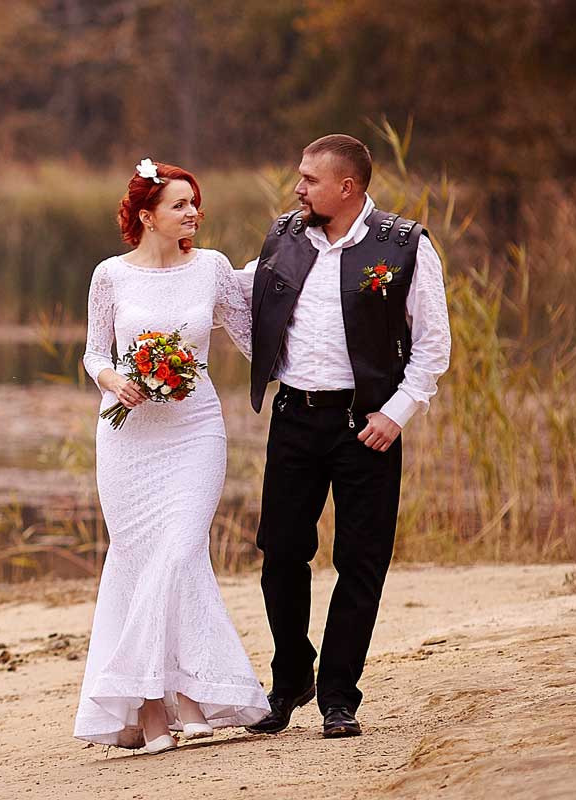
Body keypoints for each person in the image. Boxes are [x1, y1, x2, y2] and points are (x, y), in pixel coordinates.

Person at [236, 134, 451, 739]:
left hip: (368, 429)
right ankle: (290, 678)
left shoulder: (404, 246)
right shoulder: (284, 236)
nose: (298, 187)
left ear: (347, 187)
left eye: (308, 178)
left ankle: (338, 695)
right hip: (295, 419)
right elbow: (249, 307)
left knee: (361, 561)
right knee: (280, 553)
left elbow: (433, 343)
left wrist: (398, 412)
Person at [70, 158, 268, 753]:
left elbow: (254, 337)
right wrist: (114, 382)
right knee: (138, 556)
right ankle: (155, 708)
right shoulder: (110, 276)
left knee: (180, 550)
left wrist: (284, 269)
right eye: (180, 204)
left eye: (195, 202)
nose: (193, 213)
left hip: (194, 430)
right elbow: (92, 354)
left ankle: (185, 695)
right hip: (128, 435)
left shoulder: (211, 268)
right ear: (147, 216)